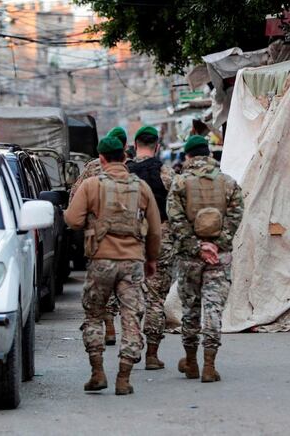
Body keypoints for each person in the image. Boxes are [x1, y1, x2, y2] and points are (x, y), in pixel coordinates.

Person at [64, 136, 161, 396]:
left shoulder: (91, 185)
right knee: (131, 318)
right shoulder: (140, 187)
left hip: (101, 262)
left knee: (94, 314)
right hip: (132, 263)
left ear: (102, 159)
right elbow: (154, 230)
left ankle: (97, 371)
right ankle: (124, 377)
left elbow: (72, 219)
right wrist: (151, 259)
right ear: (125, 157)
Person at [167, 135, 243, 383]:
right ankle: (209, 366)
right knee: (213, 310)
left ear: (188, 156)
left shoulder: (179, 184)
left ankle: (190, 362)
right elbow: (236, 216)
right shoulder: (228, 183)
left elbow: (176, 221)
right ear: (208, 154)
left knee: (190, 309)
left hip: (190, 258)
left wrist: (197, 247)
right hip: (219, 258)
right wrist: (216, 244)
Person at [69, 126, 129, 346]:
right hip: (128, 240)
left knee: (99, 287)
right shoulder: (132, 170)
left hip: (98, 238)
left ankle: (107, 325)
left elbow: (74, 202)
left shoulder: (91, 169)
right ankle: (126, 335)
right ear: (124, 147)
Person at [125, 126, 175, 370]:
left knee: (130, 299)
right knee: (155, 300)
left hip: (128, 243)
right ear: (157, 146)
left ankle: (131, 350)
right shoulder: (166, 174)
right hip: (160, 241)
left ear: (135, 145)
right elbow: (176, 211)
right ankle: (152, 355)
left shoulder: (124, 174)